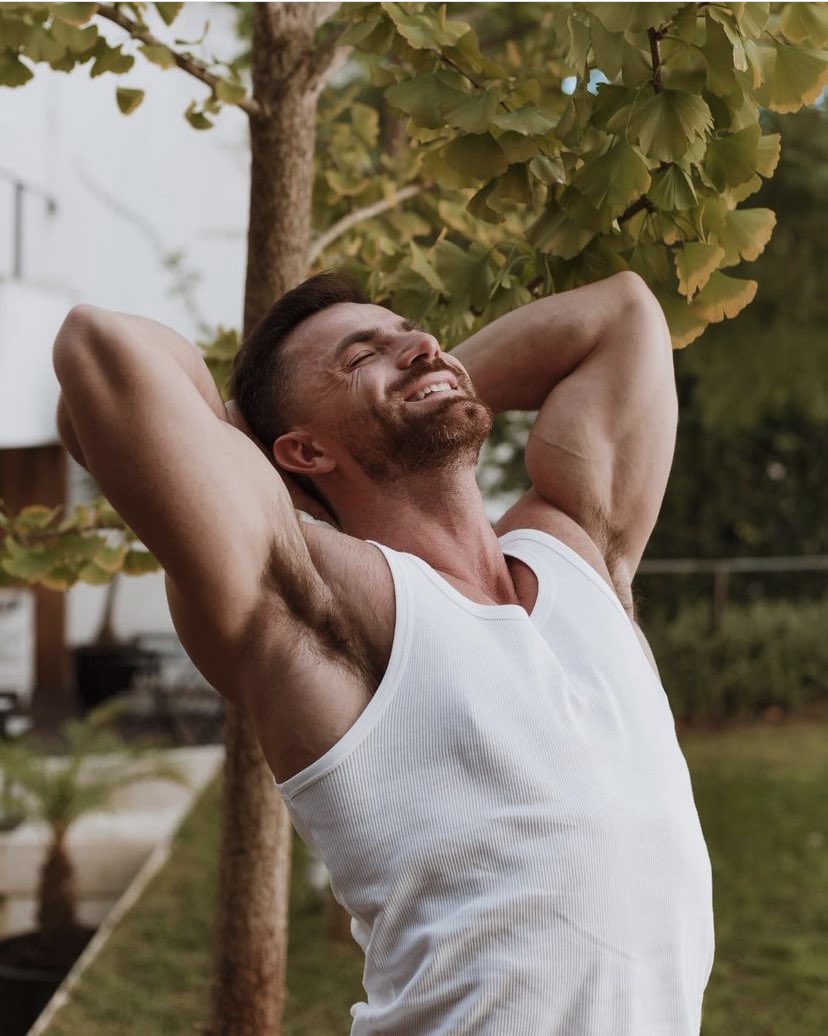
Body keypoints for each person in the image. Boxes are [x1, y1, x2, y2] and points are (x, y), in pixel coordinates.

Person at [53, 269, 714, 1034]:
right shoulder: (319, 601)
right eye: (361, 353)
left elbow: (623, 313)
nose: (421, 345)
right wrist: (269, 450)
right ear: (298, 452)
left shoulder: (579, 549)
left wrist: (420, 380)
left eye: (414, 333)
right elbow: (100, 352)